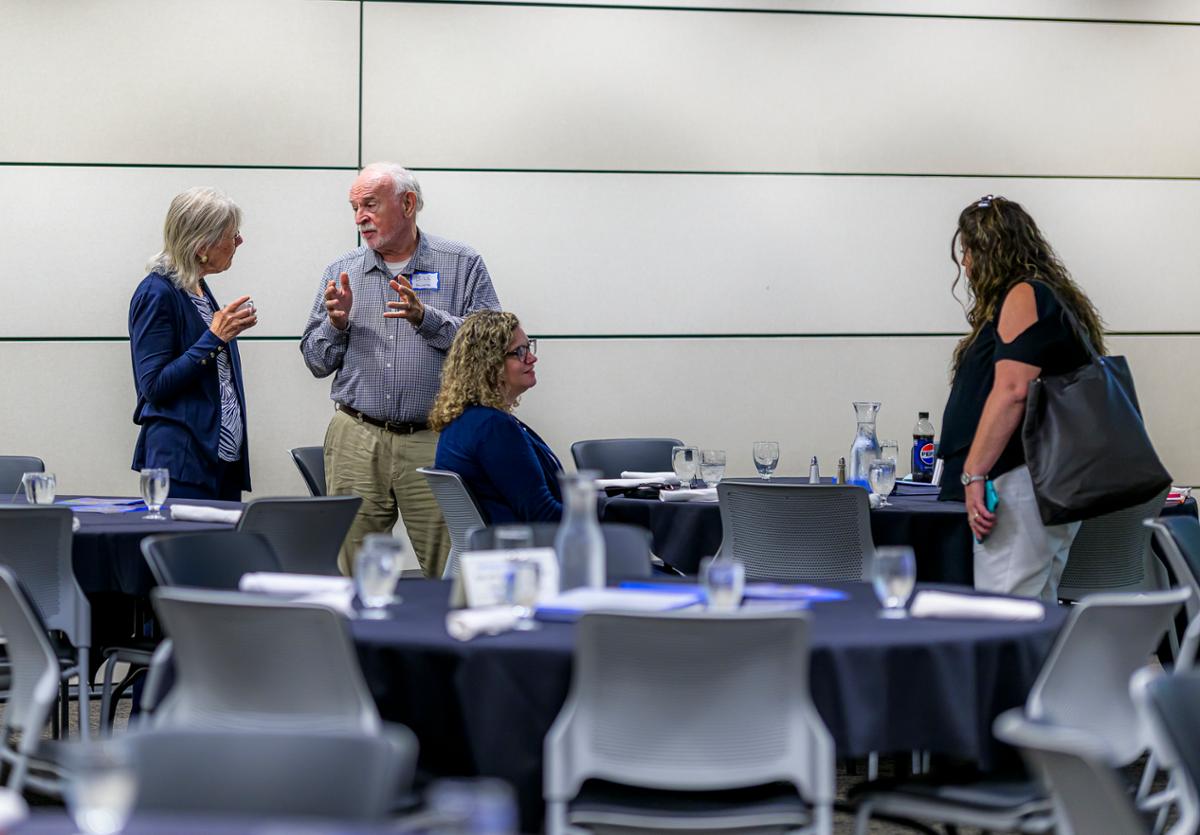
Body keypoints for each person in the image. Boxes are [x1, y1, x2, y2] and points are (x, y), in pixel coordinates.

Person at [301, 162, 500, 577]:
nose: (360, 218)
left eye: (370, 204)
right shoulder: (343, 271)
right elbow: (316, 361)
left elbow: (490, 349)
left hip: (436, 438)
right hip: (357, 436)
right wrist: (336, 326)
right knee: (354, 572)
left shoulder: (462, 263)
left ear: (408, 203)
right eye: (354, 208)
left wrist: (426, 318)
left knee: (451, 568)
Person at [937, 195, 1105, 600]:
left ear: (991, 250)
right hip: (1043, 479)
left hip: (1020, 481)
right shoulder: (1049, 295)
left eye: (970, 251)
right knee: (1035, 611)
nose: (965, 263)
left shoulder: (1024, 296)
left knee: (1008, 611)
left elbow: (1012, 392)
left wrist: (974, 473)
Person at [129, 187, 256, 500]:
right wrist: (214, 338)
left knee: (223, 550)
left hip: (219, 460)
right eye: (233, 234)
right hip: (183, 463)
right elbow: (154, 386)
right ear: (203, 245)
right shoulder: (156, 293)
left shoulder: (197, 287)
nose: (239, 242)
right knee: (189, 551)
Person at [430, 311, 563, 524]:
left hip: (497, 547)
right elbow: (543, 515)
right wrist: (613, 515)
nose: (532, 358)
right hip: (522, 549)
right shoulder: (492, 427)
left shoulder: (467, 420)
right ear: (490, 364)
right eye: (519, 352)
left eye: (529, 347)